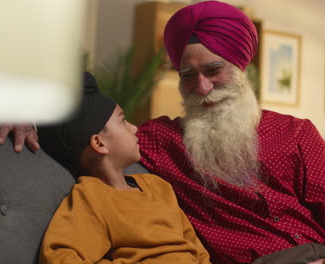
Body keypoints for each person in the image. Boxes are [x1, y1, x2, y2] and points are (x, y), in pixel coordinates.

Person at [0, 2, 325, 264]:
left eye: (214, 71)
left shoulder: (297, 134)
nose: (201, 88)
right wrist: (25, 102)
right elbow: (90, 130)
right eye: (187, 76)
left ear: (242, 66)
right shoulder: (159, 143)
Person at [37, 72, 210, 264]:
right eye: (122, 120)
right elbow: (59, 256)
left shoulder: (159, 186)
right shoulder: (91, 197)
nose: (135, 128)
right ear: (99, 143)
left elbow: (198, 251)